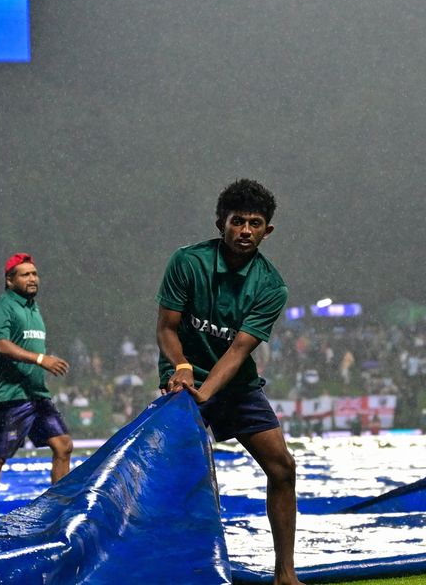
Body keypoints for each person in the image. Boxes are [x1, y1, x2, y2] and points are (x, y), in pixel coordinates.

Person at [155, 179, 303, 585]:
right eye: (238, 221)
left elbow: (238, 351)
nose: (245, 231)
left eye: (255, 224)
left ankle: (285, 574)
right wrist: (182, 368)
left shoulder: (271, 286)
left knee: (283, 467)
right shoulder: (187, 262)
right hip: (183, 381)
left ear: (267, 230)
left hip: (234, 384)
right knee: (184, 477)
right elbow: (167, 328)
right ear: (221, 222)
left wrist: (209, 391)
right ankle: (178, 568)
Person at [0, 252, 72, 526]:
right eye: (25, 274)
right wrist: (41, 359)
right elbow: (0, 344)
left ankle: (57, 511)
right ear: (9, 281)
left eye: (34, 273)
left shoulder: (34, 309)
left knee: (63, 446)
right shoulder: (2, 306)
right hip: (9, 395)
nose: (32, 278)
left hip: (36, 394)